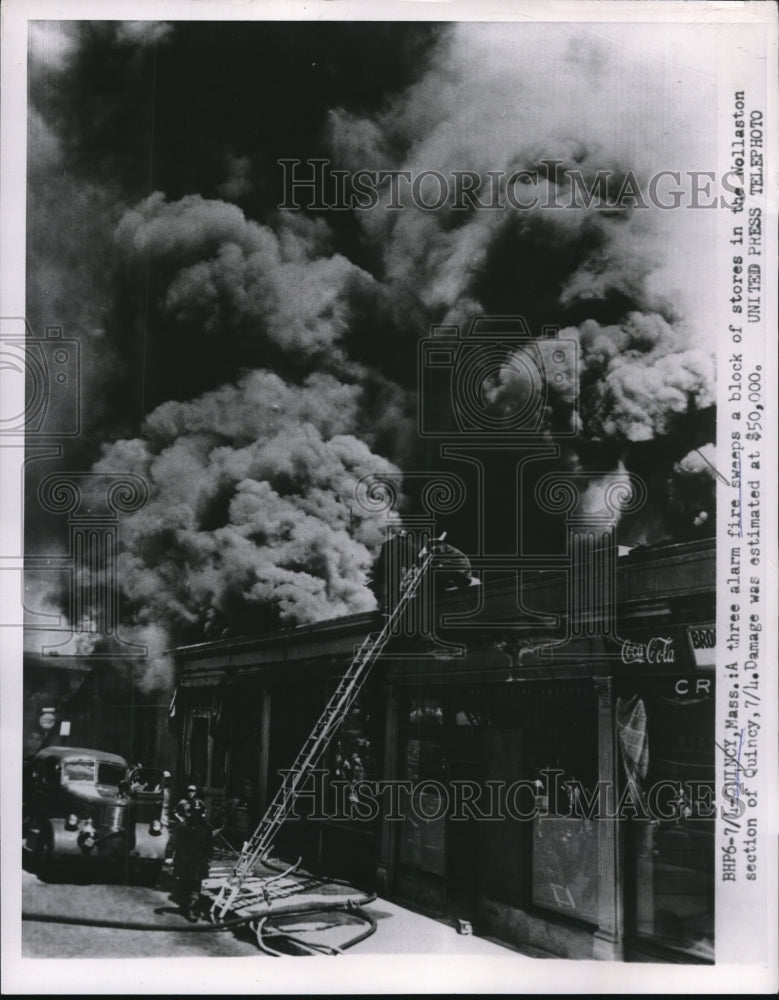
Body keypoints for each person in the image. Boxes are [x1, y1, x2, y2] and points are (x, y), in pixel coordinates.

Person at [167, 798, 214, 921]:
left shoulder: (206, 828)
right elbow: (172, 841)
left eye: (200, 812)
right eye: (194, 812)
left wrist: (209, 856)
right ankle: (187, 905)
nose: (197, 815)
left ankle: (192, 907)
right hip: (184, 860)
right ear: (191, 813)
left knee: (196, 884)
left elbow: (209, 844)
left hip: (199, 861)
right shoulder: (183, 826)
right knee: (186, 883)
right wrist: (169, 856)